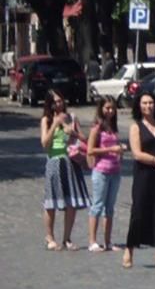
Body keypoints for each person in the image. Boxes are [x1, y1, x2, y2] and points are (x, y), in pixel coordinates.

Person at [123, 92, 155, 270]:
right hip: (144, 174)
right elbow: (137, 154)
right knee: (139, 212)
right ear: (139, 106)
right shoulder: (136, 127)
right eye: (144, 103)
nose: (148, 106)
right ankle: (129, 248)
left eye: (151, 102)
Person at [40, 89, 89, 250]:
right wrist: (55, 124)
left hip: (71, 161)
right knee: (51, 201)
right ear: (49, 104)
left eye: (60, 100)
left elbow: (85, 139)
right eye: (54, 102)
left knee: (71, 202)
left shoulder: (72, 117)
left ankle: (67, 238)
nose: (58, 104)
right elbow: (44, 144)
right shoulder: (46, 120)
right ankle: (49, 237)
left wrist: (72, 132)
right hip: (55, 162)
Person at [86, 97, 126, 252]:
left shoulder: (113, 127)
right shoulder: (97, 128)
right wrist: (111, 149)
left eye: (113, 108)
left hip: (115, 171)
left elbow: (115, 145)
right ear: (101, 109)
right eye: (107, 108)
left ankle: (107, 241)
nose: (110, 111)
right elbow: (90, 150)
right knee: (97, 206)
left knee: (110, 208)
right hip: (101, 171)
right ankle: (92, 241)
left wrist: (120, 149)